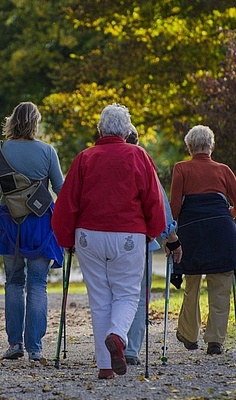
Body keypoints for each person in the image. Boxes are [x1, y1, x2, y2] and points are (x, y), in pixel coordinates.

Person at [51, 103, 166, 380]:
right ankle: (117, 335)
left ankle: (105, 366)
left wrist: (66, 238)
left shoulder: (84, 158)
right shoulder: (138, 155)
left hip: (89, 234)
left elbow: (68, 202)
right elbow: (153, 199)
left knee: (99, 298)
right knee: (127, 294)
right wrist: (153, 230)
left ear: (100, 129)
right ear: (127, 131)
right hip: (128, 233)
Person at [0, 102, 65, 362]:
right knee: (38, 283)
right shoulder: (47, 151)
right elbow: (60, 190)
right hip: (41, 222)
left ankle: (14, 344)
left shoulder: (0, 151)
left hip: (9, 221)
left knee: (13, 281)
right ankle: (35, 348)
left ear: (12, 121)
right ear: (35, 123)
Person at [170, 125, 236, 355]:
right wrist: (224, 216)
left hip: (192, 232)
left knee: (192, 284)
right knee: (221, 286)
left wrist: (171, 231)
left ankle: (189, 334)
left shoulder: (181, 168)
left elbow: (174, 207)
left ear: (190, 147)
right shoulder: (224, 170)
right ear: (211, 146)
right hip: (221, 232)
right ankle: (215, 341)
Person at [123, 127, 181, 366]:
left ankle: (113, 343)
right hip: (140, 240)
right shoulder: (143, 163)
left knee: (112, 295)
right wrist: (171, 239)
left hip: (103, 239)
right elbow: (159, 203)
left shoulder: (98, 160)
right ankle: (131, 349)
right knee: (137, 296)